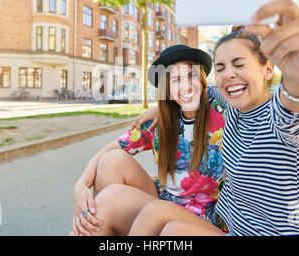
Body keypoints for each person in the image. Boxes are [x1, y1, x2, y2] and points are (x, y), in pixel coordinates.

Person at [129, 0, 299, 236]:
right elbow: (205, 90)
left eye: (240, 63)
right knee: (151, 214)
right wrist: (166, 104)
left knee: (172, 231)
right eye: (221, 67)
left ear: (268, 70)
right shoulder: (231, 100)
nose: (228, 74)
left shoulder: (283, 117)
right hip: (228, 227)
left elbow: (296, 104)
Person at [71, 44, 229, 236]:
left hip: (203, 219)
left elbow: (235, 91)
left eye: (192, 75)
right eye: (176, 80)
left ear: (203, 79)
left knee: (154, 213)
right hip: (160, 206)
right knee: (111, 162)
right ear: (166, 89)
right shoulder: (160, 121)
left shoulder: (224, 113)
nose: (187, 85)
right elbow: (110, 148)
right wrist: (80, 185)